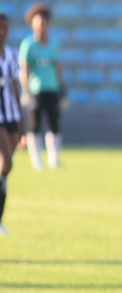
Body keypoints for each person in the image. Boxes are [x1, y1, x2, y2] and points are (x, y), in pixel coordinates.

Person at [19, 2, 65, 170]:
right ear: (32, 22)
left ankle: (54, 159)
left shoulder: (53, 43)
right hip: (35, 90)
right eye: (39, 20)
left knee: (54, 124)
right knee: (35, 125)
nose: (42, 24)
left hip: (51, 88)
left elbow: (58, 66)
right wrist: (26, 90)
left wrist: (62, 88)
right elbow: (24, 68)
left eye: (45, 21)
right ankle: (36, 161)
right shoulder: (28, 45)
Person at [0, 13, 25, 236]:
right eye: (0, 27)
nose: (3, 31)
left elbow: (15, 89)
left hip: (11, 115)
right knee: (6, 163)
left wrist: (22, 121)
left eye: (6, 27)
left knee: (4, 172)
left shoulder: (12, 55)